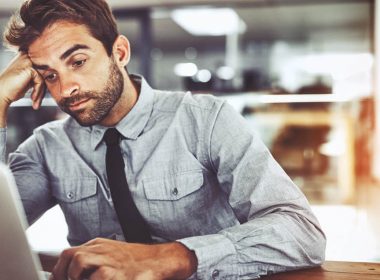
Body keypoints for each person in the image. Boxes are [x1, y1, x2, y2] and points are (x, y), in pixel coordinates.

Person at [0, 0, 326, 279]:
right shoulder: (46, 148)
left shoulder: (205, 119)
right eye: (49, 74)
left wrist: (168, 258)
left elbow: (302, 233)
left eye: (78, 62)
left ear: (120, 52)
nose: (65, 88)